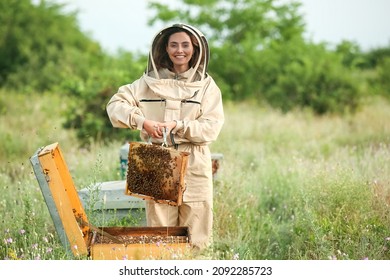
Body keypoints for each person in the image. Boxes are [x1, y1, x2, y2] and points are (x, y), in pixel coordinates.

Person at [106, 23, 224, 250]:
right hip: (156, 157)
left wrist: (177, 126)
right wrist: (143, 122)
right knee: (159, 234)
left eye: (185, 45)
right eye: (174, 45)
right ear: (165, 49)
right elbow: (115, 105)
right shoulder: (146, 83)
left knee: (196, 232)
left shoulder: (208, 86)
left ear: (195, 48)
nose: (180, 50)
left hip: (194, 159)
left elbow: (211, 128)